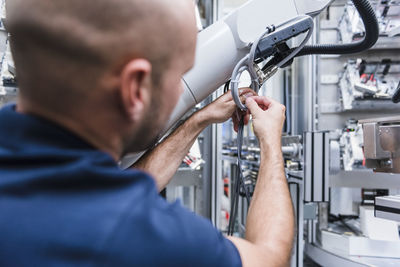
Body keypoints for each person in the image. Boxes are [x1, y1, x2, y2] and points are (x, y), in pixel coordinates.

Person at [0, 0, 294, 266]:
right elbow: (268, 258)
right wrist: (270, 142)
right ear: (136, 87)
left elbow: (116, 186)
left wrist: (198, 120)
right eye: (179, 73)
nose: (181, 90)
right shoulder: (142, 237)